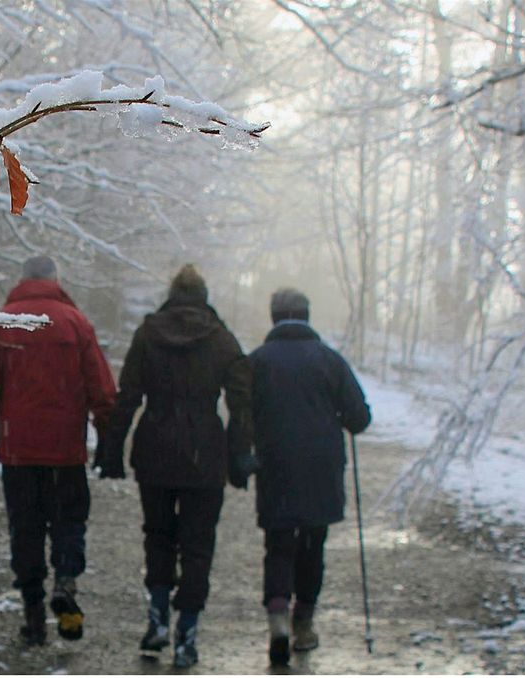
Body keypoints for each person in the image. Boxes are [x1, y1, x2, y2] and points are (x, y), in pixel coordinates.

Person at [95, 264, 255, 668]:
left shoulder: (149, 334)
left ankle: (157, 618)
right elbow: (241, 403)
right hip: (205, 453)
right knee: (199, 544)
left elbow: (127, 394)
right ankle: (187, 631)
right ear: (204, 296)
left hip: (155, 450)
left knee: (159, 535)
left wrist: (111, 449)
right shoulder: (221, 340)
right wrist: (239, 456)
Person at [0, 255, 116, 647]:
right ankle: (65, 581)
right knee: (69, 521)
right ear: (55, 279)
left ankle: (33, 615)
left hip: (19, 451)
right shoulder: (75, 323)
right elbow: (101, 387)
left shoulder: (2, 323)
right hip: (66, 451)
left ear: (23, 279)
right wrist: (107, 438)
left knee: (25, 528)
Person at [247, 287, 371, 666]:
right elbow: (360, 419)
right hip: (321, 467)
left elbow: (240, 412)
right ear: (307, 316)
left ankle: (278, 619)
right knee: (313, 546)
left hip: (276, 464)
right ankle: (304, 623)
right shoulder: (330, 361)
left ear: (273, 317)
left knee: (279, 545)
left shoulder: (257, 361)